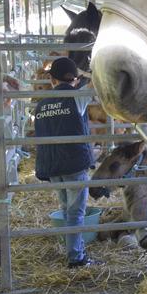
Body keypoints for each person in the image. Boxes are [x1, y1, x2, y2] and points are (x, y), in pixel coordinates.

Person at [34, 57, 99, 268]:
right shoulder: (76, 97)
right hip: (73, 163)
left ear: (51, 80)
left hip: (51, 165)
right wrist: (89, 71)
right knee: (76, 212)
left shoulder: (41, 104)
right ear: (75, 79)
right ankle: (76, 257)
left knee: (65, 207)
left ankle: (73, 249)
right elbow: (97, 82)